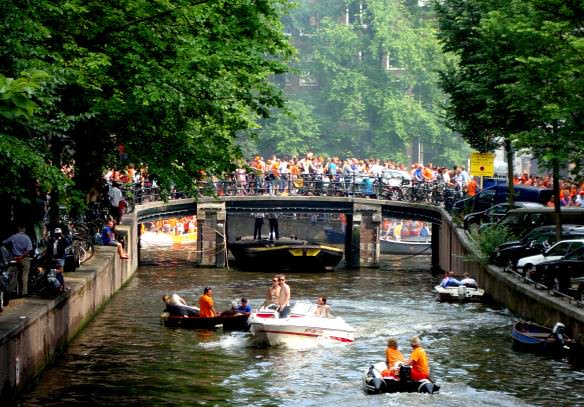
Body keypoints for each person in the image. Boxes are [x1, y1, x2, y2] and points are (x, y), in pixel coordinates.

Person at [2, 225, 33, 296]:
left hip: (15, 259)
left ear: (18, 229)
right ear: (24, 229)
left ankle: (11, 291)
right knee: (24, 275)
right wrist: (22, 256)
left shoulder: (13, 237)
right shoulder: (27, 238)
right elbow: (29, 249)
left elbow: (4, 243)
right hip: (24, 258)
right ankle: (24, 292)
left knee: (13, 274)